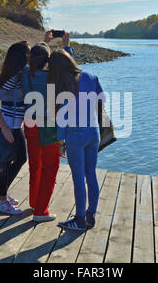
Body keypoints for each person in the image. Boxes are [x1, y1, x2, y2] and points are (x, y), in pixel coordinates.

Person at [48, 48, 105, 231]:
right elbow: (102, 98)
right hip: (93, 132)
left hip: (75, 135)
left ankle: (79, 219)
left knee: (78, 178)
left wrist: (61, 141)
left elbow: (62, 118)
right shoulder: (90, 75)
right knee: (91, 174)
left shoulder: (63, 85)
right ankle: (91, 215)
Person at [21, 31, 74, 223]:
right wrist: (66, 45)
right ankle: (40, 211)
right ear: (48, 59)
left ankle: (35, 201)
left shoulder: (27, 72)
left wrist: (44, 43)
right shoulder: (52, 74)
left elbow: (37, 58)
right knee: (50, 167)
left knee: (35, 164)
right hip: (48, 125)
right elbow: (69, 69)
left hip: (30, 123)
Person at [0, 41, 30, 215]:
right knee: (3, 164)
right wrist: (4, 127)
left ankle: (1, 193)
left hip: (15, 126)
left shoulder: (20, 76)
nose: (31, 56)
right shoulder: (12, 79)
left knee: (20, 159)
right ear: (22, 57)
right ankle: (3, 201)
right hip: (5, 128)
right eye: (28, 53)